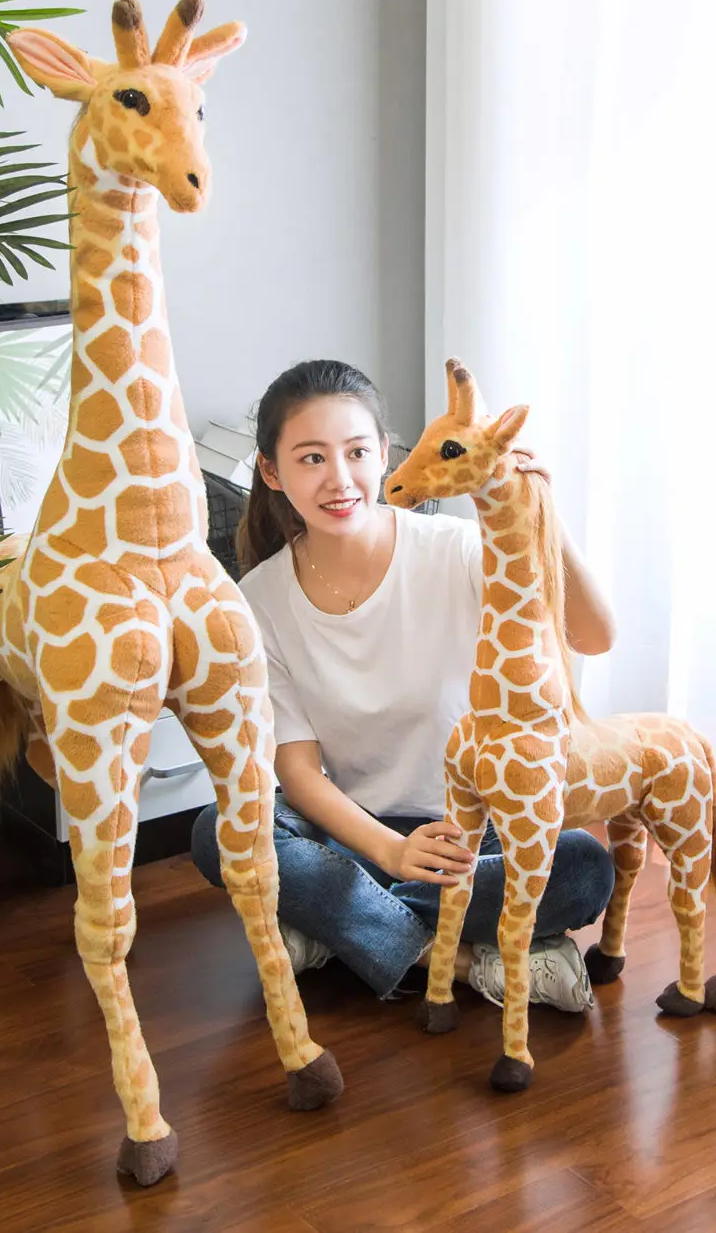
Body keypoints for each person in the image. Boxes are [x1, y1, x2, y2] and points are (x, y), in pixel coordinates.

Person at [189, 359, 620, 1011]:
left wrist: (540, 510)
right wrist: (391, 852)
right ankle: (463, 961)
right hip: (361, 833)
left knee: (584, 867)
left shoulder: (457, 549)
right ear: (272, 472)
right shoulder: (259, 599)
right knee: (219, 829)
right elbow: (297, 773)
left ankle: (341, 929)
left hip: (484, 835)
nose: (340, 479)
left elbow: (595, 635)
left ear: (385, 453)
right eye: (312, 459)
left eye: (357, 452)